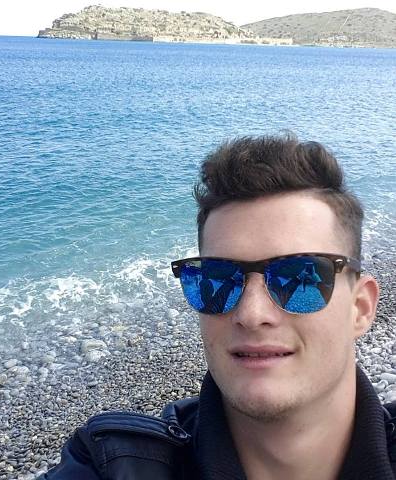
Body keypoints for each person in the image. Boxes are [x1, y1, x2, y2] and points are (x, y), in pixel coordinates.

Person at [40, 135, 396, 479]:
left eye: (299, 278)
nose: (252, 314)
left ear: (360, 308)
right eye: (218, 279)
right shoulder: (114, 465)